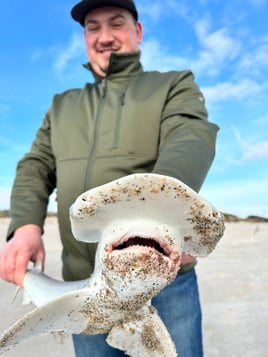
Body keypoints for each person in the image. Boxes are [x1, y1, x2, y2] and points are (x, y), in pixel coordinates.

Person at [0, 1, 219, 356]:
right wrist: (25, 225)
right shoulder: (61, 105)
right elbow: (35, 165)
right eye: (92, 27)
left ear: (138, 31)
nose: (104, 37)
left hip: (163, 284)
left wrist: (160, 218)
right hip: (82, 285)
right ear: (84, 37)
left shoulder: (173, 85)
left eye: (116, 23)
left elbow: (189, 137)